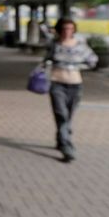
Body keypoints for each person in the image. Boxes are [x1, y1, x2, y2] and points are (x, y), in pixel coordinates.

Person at [43, 18, 98, 162]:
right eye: (65, 28)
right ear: (59, 30)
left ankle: (61, 138)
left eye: (70, 29)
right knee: (61, 114)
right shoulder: (53, 45)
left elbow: (93, 60)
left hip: (75, 84)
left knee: (68, 116)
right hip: (57, 83)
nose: (67, 31)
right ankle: (67, 147)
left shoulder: (80, 46)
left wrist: (78, 66)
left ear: (74, 30)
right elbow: (46, 60)